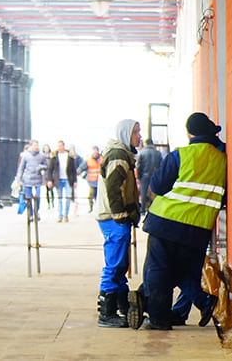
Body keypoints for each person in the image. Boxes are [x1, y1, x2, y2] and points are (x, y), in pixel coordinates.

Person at [128, 112, 227, 331]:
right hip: (199, 227)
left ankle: (159, 318)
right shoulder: (222, 160)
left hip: (167, 222)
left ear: (190, 134)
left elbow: (158, 185)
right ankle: (202, 301)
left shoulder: (181, 155)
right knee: (181, 271)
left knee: (159, 270)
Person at [95, 119, 141, 328]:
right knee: (113, 266)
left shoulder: (123, 155)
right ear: (125, 134)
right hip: (114, 219)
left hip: (115, 218)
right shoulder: (118, 156)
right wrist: (122, 215)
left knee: (121, 265)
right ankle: (106, 313)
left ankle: (122, 307)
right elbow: (114, 189)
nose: (139, 137)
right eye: (135, 133)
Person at [14, 139, 49, 219]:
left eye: (37, 145)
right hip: (28, 180)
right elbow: (21, 168)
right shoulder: (26, 156)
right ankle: (31, 214)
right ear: (31, 146)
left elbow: (46, 166)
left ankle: (37, 211)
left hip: (37, 179)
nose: (36, 147)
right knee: (28, 198)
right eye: (35, 145)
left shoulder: (41, 156)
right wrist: (19, 179)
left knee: (37, 196)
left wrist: (41, 167)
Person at [46, 140, 77, 222]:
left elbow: (74, 170)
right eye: (58, 146)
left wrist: (75, 181)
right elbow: (50, 169)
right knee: (59, 198)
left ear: (63, 146)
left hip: (68, 179)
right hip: (58, 179)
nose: (59, 147)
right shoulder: (54, 157)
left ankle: (66, 214)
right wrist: (49, 180)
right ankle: (60, 215)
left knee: (68, 197)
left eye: (60, 146)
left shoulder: (69, 157)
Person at [136, 138, 163, 213]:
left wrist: (139, 176)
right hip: (155, 176)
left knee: (143, 193)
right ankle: (155, 209)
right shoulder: (158, 153)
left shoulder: (142, 153)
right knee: (155, 193)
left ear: (146, 144)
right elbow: (161, 165)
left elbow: (138, 166)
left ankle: (142, 209)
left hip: (144, 176)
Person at [85, 146, 102, 213]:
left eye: (96, 150)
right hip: (92, 181)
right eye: (94, 150)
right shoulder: (89, 160)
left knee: (99, 196)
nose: (95, 152)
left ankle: (99, 208)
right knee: (90, 196)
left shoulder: (102, 159)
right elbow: (82, 168)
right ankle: (91, 207)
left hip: (100, 181)